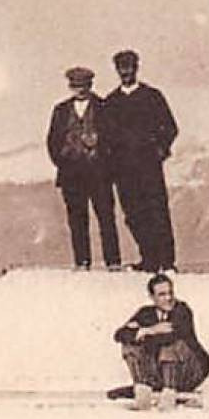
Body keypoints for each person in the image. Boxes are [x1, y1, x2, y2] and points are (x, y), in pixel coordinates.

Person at [103, 49, 178, 272]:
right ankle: (148, 259)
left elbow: (170, 128)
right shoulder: (111, 102)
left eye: (129, 67)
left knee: (157, 212)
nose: (126, 72)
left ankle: (167, 262)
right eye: (121, 68)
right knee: (134, 214)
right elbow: (106, 136)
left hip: (148, 167)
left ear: (136, 68)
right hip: (123, 170)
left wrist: (159, 150)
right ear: (117, 71)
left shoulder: (153, 97)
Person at [45, 66, 121, 271]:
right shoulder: (60, 110)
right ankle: (82, 261)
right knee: (77, 219)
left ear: (90, 85)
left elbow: (115, 139)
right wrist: (63, 161)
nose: (79, 89)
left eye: (83, 85)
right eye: (75, 86)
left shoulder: (104, 107)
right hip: (72, 174)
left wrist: (101, 147)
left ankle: (113, 261)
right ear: (70, 86)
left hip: (100, 173)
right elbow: (52, 141)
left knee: (106, 217)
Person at [110, 273, 209, 408]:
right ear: (152, 297)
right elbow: (119, 335)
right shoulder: (145, 313)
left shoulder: (182, 310)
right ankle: (142, 389)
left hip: (189, 370)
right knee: (130, 346)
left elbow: (171, 337)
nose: (168, 298)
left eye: (170, 293)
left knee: (171, 346)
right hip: (159, 371)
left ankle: (169, 393)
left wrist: (143, 334)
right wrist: (150, 330)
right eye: (162, 294)